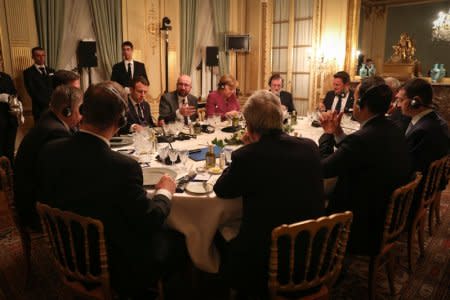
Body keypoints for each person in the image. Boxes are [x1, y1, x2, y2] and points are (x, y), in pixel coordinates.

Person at [36, 81, 186, 298]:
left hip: (65, 252)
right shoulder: (123, 167)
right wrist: (164, 191)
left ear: (81, 111)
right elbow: (151, 219)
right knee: (179, 239)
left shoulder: (49, 151)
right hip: (115, 266)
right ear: (121, 120)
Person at [214, 90, 325, 297]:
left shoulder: (247, 157)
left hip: (265, 264)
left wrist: (247, 150)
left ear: (249, 125)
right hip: (312, 254)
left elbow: (221, 189)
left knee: (218, 232)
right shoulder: (310, 148)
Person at [319, 76, 411, 256]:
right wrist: (338, 133)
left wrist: (327, 135)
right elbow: (356, 153)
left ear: (361, 104)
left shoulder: (362, 139)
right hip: (386, 215)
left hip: (362, 223)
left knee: (311, 194)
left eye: (356, 98)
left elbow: (324, 169)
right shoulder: (393, 128)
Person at [14, 85, 83, 230]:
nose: (82, 115)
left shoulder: (48, 119)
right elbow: (62, 178)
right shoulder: (56, 132)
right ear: (67, 110)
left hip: (30, 199)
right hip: (37, 212)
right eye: (80, 109)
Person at [396, 78, 449, 173]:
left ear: (415, 101)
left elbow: (405, 165)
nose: (398, 105)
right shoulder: (436, 119)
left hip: (416, 183)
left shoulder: (422, 131)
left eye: (401, 100)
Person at [23, 47, 55, 121]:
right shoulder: (28, 73)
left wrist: (54, 102)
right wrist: (47, 104)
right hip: (39, 109)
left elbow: (55, 87)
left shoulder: (51, 70)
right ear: (33, 57)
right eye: (38, 56)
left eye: (43, 55)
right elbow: (32, 91)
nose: (41, 58)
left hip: (54, 108)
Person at [0, 71, 19, 165]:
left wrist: (14, 100)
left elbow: (14, 92)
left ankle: (11, 175)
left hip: (11, 120)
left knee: (10, 151)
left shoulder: (6, 76)